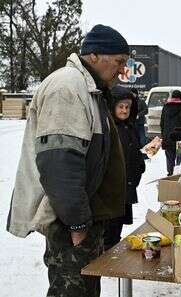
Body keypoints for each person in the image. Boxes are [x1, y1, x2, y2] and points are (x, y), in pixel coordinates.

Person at [6, 24, 129, 297]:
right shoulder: (67, 87)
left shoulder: (89, 89)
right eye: (119, 62)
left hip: (84, 219)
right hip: (70, 224)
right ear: (94, 56)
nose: (122, 70)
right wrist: (76, 223)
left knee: (84, 289)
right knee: (70, 290)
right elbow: (60, 164)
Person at [104, 86, 145, 250]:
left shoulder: (130, 127)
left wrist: (140, 165)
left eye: (127, 107)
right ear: (113, 107)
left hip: (126, 187)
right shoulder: (109, 128)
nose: (124, 110)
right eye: (121, 107)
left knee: (117, 225)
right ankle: (106, 257)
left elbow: (133, 151)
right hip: (112, 189)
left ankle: (112, 251)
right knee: (109, 227)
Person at [160, 90, 181, 176]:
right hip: (180, 139)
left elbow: (162, 124)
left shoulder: (165, 107)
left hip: (168, 138)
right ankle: (178, 177)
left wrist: (164, 136)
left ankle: (170, 175)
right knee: (180, 160)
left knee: (170, 159)